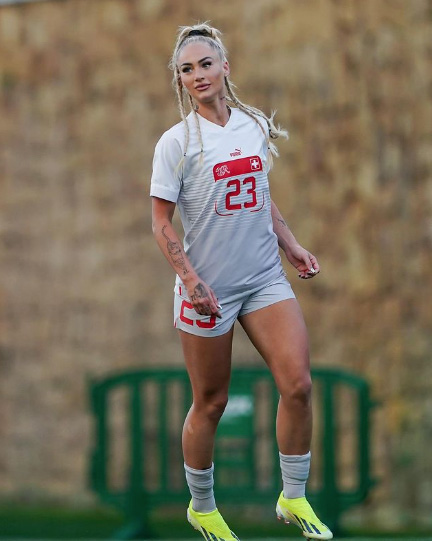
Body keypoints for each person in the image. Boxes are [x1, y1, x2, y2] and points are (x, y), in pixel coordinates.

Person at [150, 22, 333, 541]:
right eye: (187, 69)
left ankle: (293, 497)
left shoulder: (252, 124)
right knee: (211, 402)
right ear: (181, 80)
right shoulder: (176, 143)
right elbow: (161, 223)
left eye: (206, 64)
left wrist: (291, 245)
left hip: (263, 278)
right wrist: (190, 280)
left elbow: (259, 195)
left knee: (298, 385)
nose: (198, 74)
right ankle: (203, 508)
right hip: (209, 290)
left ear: (224, 66)